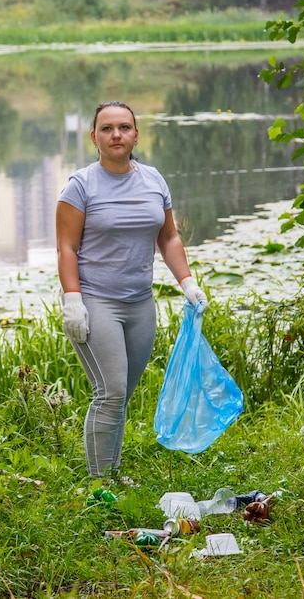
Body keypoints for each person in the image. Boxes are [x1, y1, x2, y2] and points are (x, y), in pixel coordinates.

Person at [56, 100, 208, 480]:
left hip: (140, 303)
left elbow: (169, 236)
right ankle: (98, 483)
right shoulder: (80, 186)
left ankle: (112, 470)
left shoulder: (154, 180)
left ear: (136, 134)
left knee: (122, 392)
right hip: (95, 301)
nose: (116, 134)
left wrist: (186, 281)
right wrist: (72, 299)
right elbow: (66, 248)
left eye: (124, 127)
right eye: (107, 129)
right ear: (94, 137)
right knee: (110, 391)